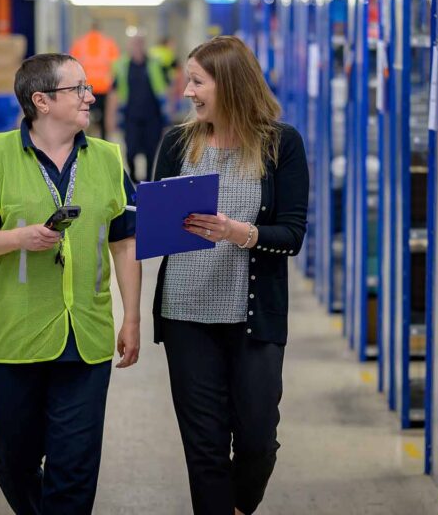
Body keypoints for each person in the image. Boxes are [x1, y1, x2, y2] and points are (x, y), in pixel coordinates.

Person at [0, 53, 141, 515]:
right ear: (41, 100)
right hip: (16, 338)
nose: (89, 95)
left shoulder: (106, 158)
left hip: (87, 338)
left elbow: (124, 243)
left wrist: (132, 317)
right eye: (77, 88)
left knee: (74, 467)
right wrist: (18, 237)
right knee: (13, 459)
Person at [150, 35, 309, 515]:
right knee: (205, 447)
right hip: (186, 315)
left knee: (258, 438)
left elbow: (292, 234)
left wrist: (238, 232)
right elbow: (156, 229)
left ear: (231, 84)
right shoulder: (177, 143)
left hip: (252, 319)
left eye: (197, 82)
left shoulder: (282, 144)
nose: (188, 92)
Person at [106, 35, 169, 182]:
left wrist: (169, 110)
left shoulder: (154, 64)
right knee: (131, 150)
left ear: (144, 45)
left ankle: (147, 182)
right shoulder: (122, 66)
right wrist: (111, 116)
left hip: (153, 116)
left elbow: (166, 87)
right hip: (131, 117)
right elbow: (114, 92)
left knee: (151, 152)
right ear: (129, 46)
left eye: (140, 43)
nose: (137, 47)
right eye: (134, 44)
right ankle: (134, 177)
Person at [69, 22, 120, 140]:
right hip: (104, 87)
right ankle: (103, 141)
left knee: (83, 116)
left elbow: (71, 65)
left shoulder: (79, 43)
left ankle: (82, 141)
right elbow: (115, 66)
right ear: (100, 29)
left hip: (85, 87)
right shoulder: (109, 43)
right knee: (103, 120)